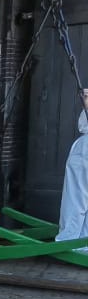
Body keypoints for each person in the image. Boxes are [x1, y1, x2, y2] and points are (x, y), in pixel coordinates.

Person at [55, 89, 88, 254]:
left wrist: (86, 101)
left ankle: (68, 240)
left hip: (85, 151)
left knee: (76, 196)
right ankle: (83, 241)